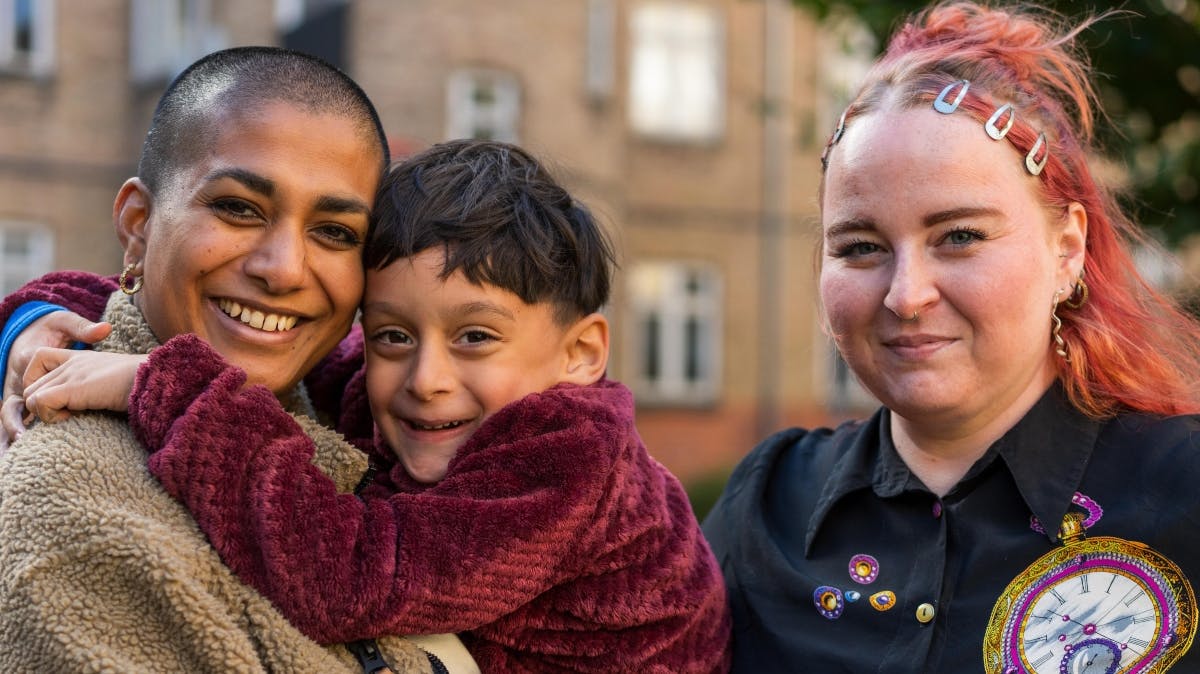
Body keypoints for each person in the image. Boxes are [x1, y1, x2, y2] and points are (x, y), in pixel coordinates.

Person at [15, 139, 733, 673]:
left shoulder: (567, 455)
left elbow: (347, 577)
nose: (426, 377)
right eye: (394, 333)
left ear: (580, 354)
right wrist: (43, 322)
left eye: (475, 337)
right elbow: (235, 323)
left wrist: (159, 386)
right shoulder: (390, 383)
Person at [701, 2, 1200, 672]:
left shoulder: (1183, 490)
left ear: (1068, 249)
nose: (906, 295)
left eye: (959, 237)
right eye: (860, 246)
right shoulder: (767, 506)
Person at [0, 46, 475, 673]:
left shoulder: (378, 412)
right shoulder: (80, 505)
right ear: (138, 224)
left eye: (335, 232)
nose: (282, 269)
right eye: (239, 208)